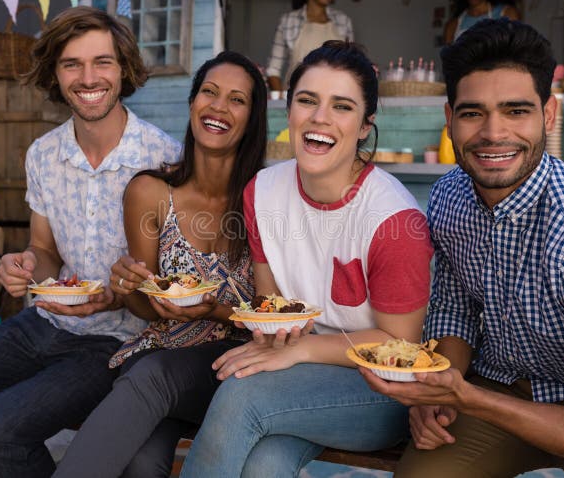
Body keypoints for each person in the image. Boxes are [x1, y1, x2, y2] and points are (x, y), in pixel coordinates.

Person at [361, 18, 564, 477]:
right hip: (501, 387)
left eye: (516, 111)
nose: (493, 133)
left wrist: (466, 396)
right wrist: (438, 391)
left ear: (548, 115)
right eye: (473, 113)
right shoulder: (451, 197)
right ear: (449, 121)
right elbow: (455, 309)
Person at [0, 6, 181, 478]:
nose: (89, 77)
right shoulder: (44, 154)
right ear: (55, 74)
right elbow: (45, 250)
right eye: (72, 64)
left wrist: (121, 293)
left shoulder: (165, 159)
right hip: (44, 324)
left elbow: (176, 280)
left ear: (123, 68)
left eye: (102, 62)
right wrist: (25, 265)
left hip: (119, 341)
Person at [179, 40, 434, 478]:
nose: (320, 118)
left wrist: (301, 350)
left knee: (242, 395)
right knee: (263, 465)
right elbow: (273, 311)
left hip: (382, 388)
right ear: (289, 112)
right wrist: (283, 347)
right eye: (308, 100)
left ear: (365, 125)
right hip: (299, 373)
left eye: (342, 106)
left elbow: (402, 348)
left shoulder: (394, 221)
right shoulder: (262, 192)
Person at [53, 50, 268, 478]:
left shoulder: (265, 198)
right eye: (209, 92)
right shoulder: (150, 191)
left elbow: (274, 311)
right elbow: (147, 309)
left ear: (251, 119)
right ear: (192, 103)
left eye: (237, 99)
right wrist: (132, 288)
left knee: (152, 375)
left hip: (236, 369)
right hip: (163, 362)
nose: (219, 107)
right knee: (141, 461)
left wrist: (215, 311)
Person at [266, 0, 354, 92]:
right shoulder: (289, 21)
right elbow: (273, 70)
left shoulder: (343, 22)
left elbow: (352, 66)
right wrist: (281, 101)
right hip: (297, 99)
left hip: (335, 97)